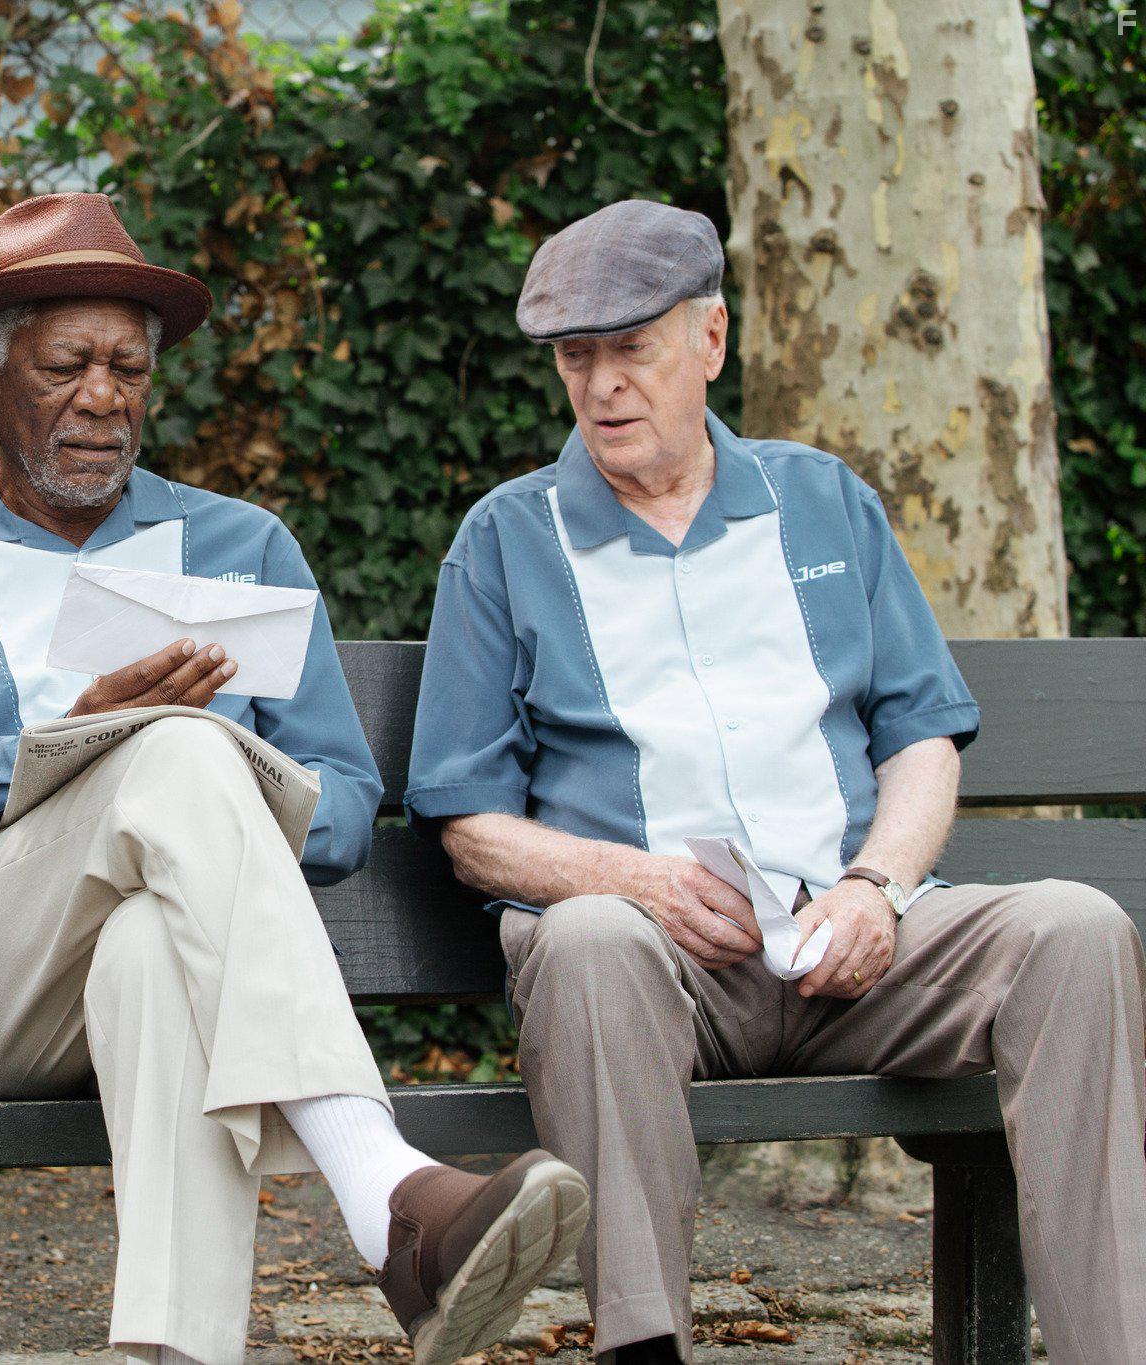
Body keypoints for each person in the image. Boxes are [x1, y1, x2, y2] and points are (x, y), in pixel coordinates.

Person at [0, 193, 588, 1365]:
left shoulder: (243, 547)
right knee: (173, 744)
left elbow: (341, 809)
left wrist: (220, 783)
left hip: (172, 949)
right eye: (64, 365)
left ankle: (178, 1352)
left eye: (128, 369)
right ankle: (383, 1189)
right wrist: (82, 739)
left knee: (150, 942)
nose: (102, 397)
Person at [404, 198, 1146, 1363]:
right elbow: (467, 825)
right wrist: (635, 883)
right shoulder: (506, 539)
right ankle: (643, 1349)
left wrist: (874, 887)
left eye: (629, 348)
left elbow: (919, 739)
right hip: (660, 971)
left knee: (1076, 929)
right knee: (585, 938)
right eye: (574, 358)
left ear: (709, 338)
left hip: (856, 947)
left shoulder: (820, 501)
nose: (601, 386)